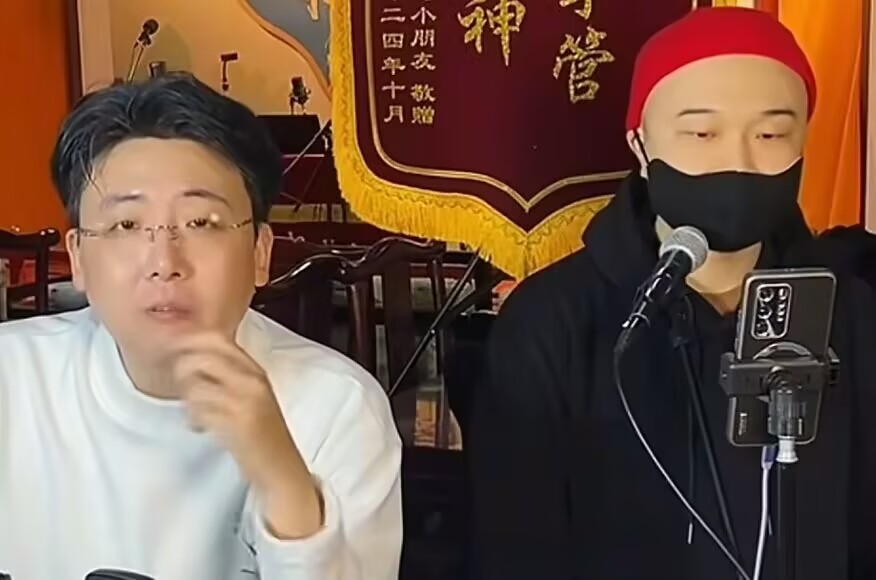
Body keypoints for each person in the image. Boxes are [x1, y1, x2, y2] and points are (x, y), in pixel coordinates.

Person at [469, 7, 876, 580]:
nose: (738, 162)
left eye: (771, 134)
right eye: (702, 134)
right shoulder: (551, 323)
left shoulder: (852, 315)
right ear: (639, 145)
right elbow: (515, 546)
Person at [0, 74, 402, 579]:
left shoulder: (335, 408)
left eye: (202, 223)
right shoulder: (12, 381)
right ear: (78, 257)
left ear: (260, 252)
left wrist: (285, 483)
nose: (164, 262)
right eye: (127, 225)